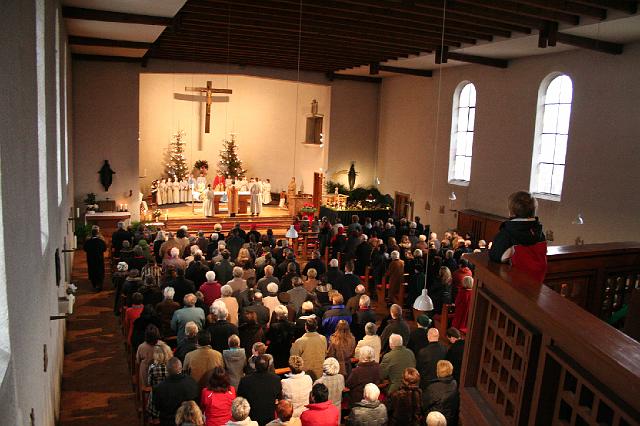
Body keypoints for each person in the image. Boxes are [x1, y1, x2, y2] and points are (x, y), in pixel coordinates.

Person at [489, 190, 547, 282]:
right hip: (538, 282)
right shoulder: (539, 233)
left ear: (511, 213)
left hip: (516, 285)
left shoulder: (508, 233)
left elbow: (495, 256)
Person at [150, 357, 199, 426]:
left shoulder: (159, 388)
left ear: (167, 371)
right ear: (181, 368)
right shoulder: (192, 382)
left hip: (168, 422)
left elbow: (156, 408)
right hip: (189, 421)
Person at [237, 354, 282, 425]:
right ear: (268, 366)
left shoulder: (245, 380)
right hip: (269, 417)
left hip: (252, 417)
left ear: (255, 366)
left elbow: (239, 399)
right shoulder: (276, 379)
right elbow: (279, 398)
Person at [422, 360, 460, 426]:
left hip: (435, 421)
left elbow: (423, 405)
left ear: (438, 372)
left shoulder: (433, 388)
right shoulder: (454, 384)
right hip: (450, 419)